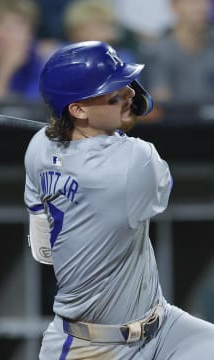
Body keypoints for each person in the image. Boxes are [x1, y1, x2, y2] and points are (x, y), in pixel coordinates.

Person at [24, 41, 214, 359]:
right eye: (111, 90)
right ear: (78, 109)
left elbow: (43, 249)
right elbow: (160, 183)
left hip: (163, 327)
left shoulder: (39, 146)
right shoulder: (134, 160)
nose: (128, 93)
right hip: (91, 348)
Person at [147, 0, 214, 104]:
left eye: (205, 1)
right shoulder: (160, 52)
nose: (202, 8)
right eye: (193, 2)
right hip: (178, 118)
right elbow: (161, 102)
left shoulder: (211, 46)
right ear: (174, 6)